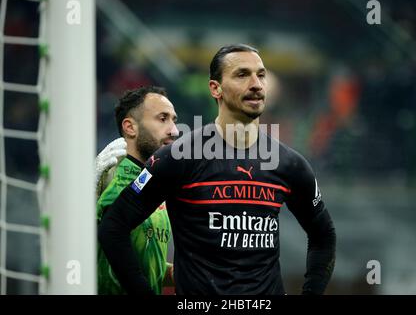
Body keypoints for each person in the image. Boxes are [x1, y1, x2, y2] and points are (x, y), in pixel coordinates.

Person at [98, 44, 336, 295]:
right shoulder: (178, 158)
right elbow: (113, 227)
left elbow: (323, 235)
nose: (256, 84)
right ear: (215, 88)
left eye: (261, 74)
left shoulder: (290, 163)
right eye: (242, 74)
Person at [96, 86, 178, 294]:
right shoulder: (115, 176)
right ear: (130, 127)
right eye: (162, 119)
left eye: (173, 120)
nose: (174, 131)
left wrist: (177, 274)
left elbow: (136, 262)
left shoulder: (152, 183)